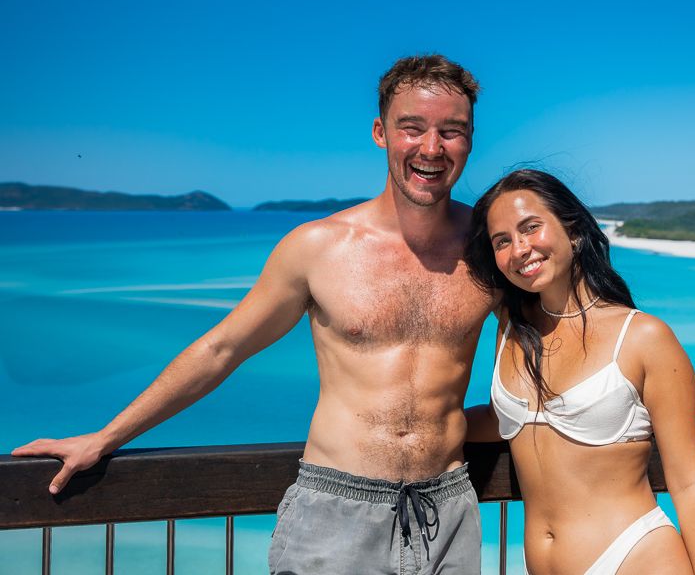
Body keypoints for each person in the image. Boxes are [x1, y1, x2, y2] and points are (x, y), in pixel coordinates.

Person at [13, 54, 496, 575]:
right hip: (338, 512)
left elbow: (552, 358)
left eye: (452, 131)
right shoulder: (317, 247)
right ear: (381, 132)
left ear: (469, 140)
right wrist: (106, 437)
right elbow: (223, 349)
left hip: (447, 513)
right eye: (412, 128)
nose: (431, 148)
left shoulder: (490, 249)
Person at [463, 169, 695, 574]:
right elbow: (511, 420)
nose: (519, 249)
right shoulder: (511, 329)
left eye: (531, 228)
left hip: (636, 558)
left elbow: (689, 486)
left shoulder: (642, 336)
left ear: (574, 231)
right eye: (502, 241)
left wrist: (669, 420)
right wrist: (425, 429)